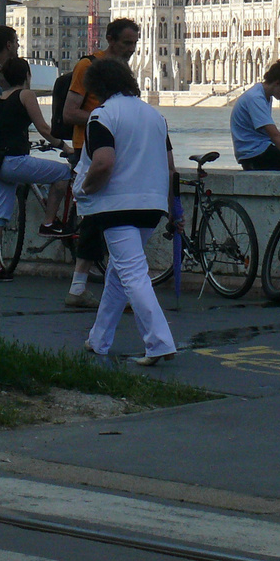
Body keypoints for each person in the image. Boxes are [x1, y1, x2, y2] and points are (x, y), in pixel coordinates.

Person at [76, 56, 177, 366]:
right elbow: (171, 168)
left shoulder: (102, 116)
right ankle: (99, 339)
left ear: (98, 88)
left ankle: (159, 342)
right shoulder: (155, 117)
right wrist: (175, 210)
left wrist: (86, 188)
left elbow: (103, 162)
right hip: (152, 205)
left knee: (132, 274)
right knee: (119, 275)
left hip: (116, 206)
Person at [62, 18, 142, 309]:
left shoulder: (124, 70)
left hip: (118, 152)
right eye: (126, 43)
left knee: (107, 220)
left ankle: (91, 287)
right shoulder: (88, 67)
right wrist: (104, 121)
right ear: (110, 39)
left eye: (134, 43)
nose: (132, 49)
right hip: (90, 149)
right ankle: (87, 287)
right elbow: (70, 113)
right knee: (99, 220)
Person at [0, 57, 73, 280]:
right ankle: (49, 222)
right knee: (63, 173)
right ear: (27, 75)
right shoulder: (25, 95)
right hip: (15, 161)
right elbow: (44, 128)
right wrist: (64, 146)